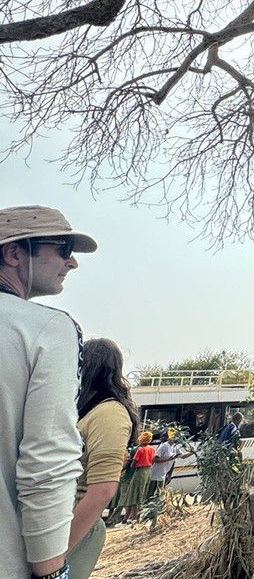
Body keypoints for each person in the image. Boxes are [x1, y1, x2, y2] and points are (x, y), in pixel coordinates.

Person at [0, 205, 95, 579]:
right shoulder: (46, 329)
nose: (72, 262)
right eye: (63, 248)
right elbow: (47, 462)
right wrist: (51, 572)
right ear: (14, 253)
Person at [67, 339, 138, 579]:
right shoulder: (86, 410)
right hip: (59, 526)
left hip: (75, 530)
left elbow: (102, 491)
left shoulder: (109, 413)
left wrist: (55, 555)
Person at [118, 432, 155, 523]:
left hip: (139, 472)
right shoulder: (152, 449)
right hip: (147, 471)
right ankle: (129, 518)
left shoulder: (140, 450)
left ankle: (133, 518)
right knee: (140, 494)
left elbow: (133, 464)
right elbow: (153, 461)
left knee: (134, 495)